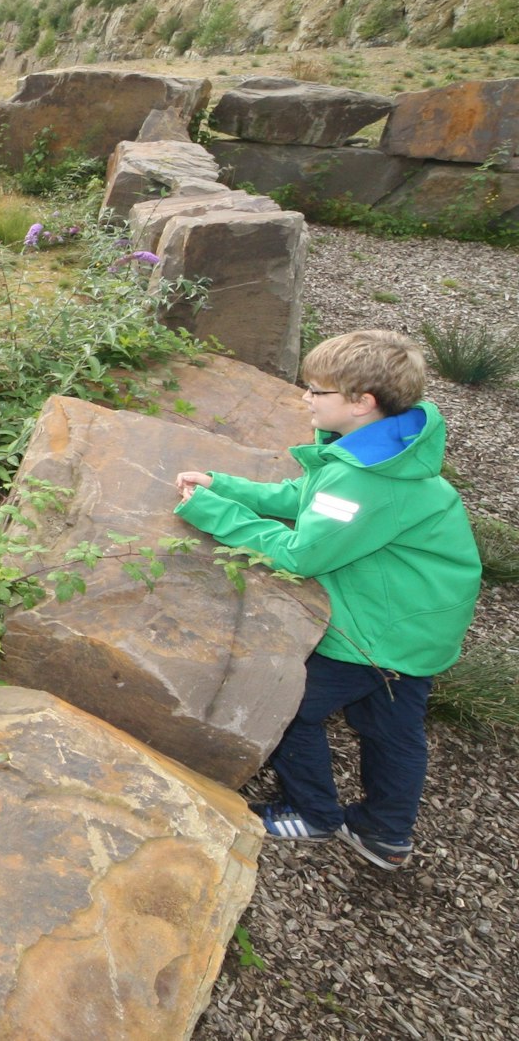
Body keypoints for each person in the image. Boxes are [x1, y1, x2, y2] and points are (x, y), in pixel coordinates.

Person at [173, 330, 480, 871]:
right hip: (418, 624)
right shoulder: (386, 448)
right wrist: (229, 486)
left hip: (374, 634)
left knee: (286, 710)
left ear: (363, 402)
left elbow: (300, 553)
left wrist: (212, 513)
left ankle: (312, 811)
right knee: (392, 728)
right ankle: (386, 834)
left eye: (317, 392)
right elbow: (308, 499)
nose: (305, 399)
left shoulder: (367, 482)